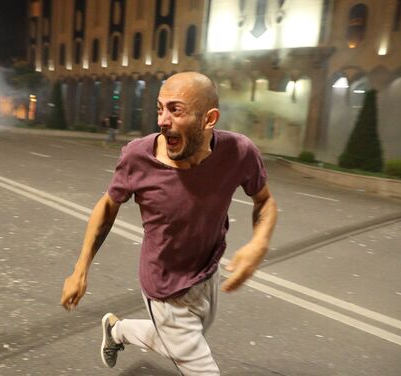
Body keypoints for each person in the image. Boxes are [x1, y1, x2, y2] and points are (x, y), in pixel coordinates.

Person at [60, 71, 278, 375]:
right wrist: (80, 269)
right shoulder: (138, 156)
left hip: (208, 275)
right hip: (164, 286)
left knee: (178, 341)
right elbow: (108, 206)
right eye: (160, 109)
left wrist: (259, 241)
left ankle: (116, 330)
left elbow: (264, 201)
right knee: (200, 366)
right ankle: (126, 331)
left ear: (209, 118)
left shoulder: (239, 152)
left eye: (175, 110)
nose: (163, 120)